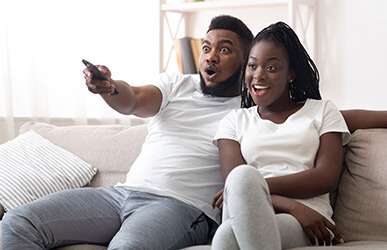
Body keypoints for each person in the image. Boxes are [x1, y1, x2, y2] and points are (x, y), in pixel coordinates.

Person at [1, 15, 386, 250]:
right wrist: (109, 87)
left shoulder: (253, 109)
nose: (210, 56)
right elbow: (133, 99)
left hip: (180, 208)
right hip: (120, 195)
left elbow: (330, 117)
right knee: (18, 222)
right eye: (206, 48)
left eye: (225, 50)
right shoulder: (181, 89)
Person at [211, 21, 355, 250]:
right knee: (241, 178)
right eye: (252, 66)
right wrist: (293, 206)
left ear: (291, 74)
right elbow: (235, 186)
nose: (258, 76)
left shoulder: (322, 111)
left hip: (310, 222)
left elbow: (326, 177)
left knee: (226, 238)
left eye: (271, 68)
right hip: (276, 211)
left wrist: (255, 187)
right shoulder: (234, 121)